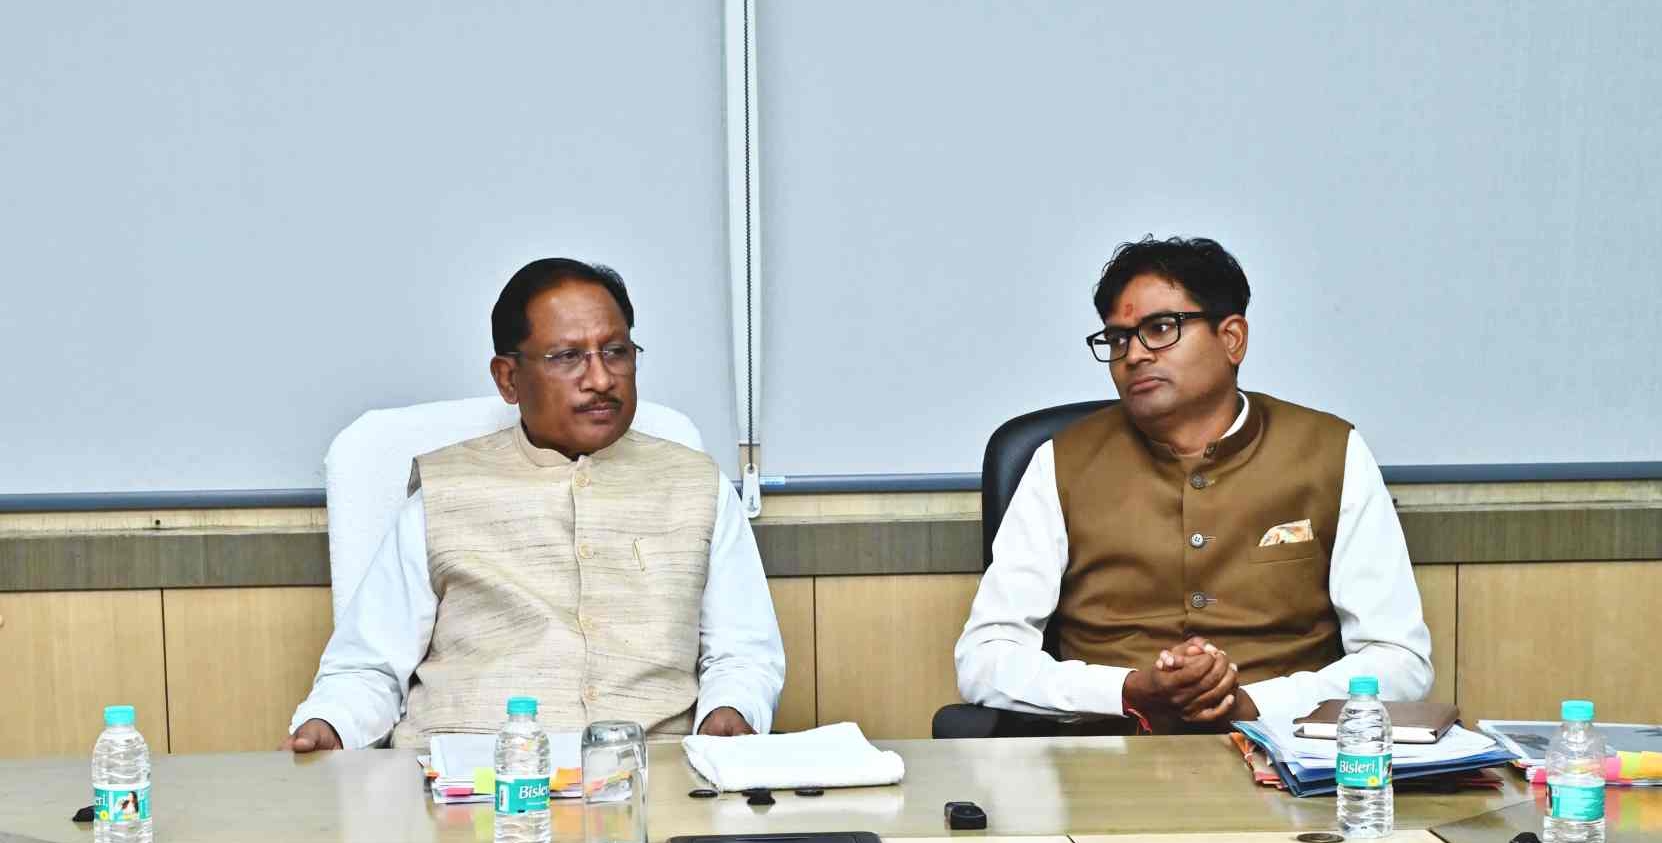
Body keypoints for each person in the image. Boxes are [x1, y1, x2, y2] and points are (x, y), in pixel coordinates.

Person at [285, 258, 784, 751]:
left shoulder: (696, 486)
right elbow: (369, 668)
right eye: (567, 357)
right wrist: (331, 724)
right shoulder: (443, 495)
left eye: (616, 352)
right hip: (465, 781)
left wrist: (731, 710)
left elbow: (742, 655)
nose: (601, 379)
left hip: (647, 776)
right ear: (508, 378)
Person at [954, 236, 1431, 734]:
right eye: (1117, 339)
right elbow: (984, 658)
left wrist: (1252, 703)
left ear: (1232, 338)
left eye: (1160, 328)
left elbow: (1399, 660)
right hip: (1109, 752)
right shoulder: (1061, 461)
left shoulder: (1331, 452)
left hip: (1285, 752)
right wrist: (1126, 692)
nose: (1134, 355)